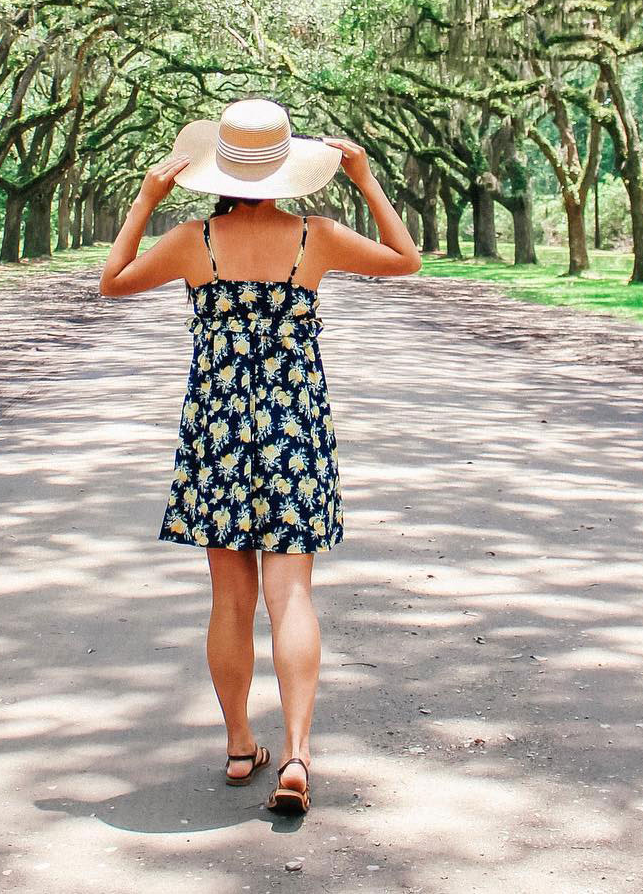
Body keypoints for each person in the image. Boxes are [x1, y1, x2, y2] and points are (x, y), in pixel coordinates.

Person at [99, 97, 421, 817]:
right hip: (295, 428)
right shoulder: (318, 236)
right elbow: (407, 259)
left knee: (231, 599)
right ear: (285, 174)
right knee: (292, 596)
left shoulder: (193, 239)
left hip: (216, 431)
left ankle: (242, 743)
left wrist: (146, 200)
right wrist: (367, 181)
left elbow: (112, 280)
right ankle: (299, 750)